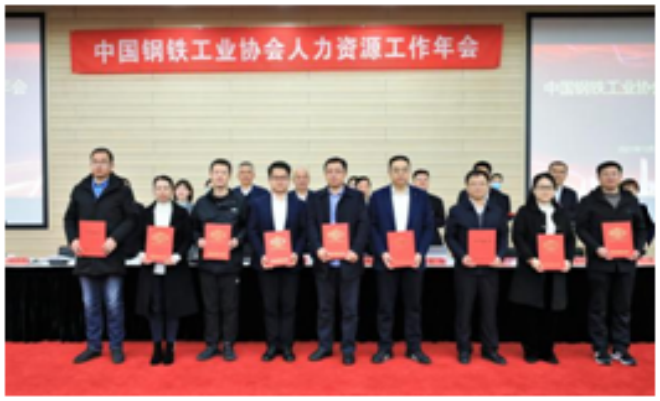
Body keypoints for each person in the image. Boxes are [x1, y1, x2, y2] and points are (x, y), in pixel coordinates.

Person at [63, 147, 138, 364]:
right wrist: (73, 239)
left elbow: (131, 219)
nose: (99, 165)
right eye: (95, 161)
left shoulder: (122, 190)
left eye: (103, 161)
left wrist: (115, 239)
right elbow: (69, 219)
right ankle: (93, 346)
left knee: (114, 305)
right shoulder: (80, 189)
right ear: (90, 164)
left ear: (111, 165)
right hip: (86, 258)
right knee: (90, 305)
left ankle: (116, 347)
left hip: (111, 256)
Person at [576, 161, 647, 366]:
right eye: (606, 174)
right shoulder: (589, 201)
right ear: (599, 177)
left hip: (626, 263)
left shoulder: (630, 200)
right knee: (598, 308)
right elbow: (581, 229)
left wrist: (639, 249)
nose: (610, 177)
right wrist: (596, 247)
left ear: (620, 176)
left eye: (614, 174)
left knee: (622, 308)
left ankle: (621, 348)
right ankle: (600, 348)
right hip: (600, 263)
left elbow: (641, 228)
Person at [369, 155, 434, 365]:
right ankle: (384, 348)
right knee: (385, 308)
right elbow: (372, 227)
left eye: (404, 169)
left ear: (409, 172)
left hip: (413, 261)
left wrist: (420, 253)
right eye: (395, 170)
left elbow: (428, 227)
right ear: (389, 173)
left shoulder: (421, 196)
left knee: (413, 307)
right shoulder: (378, 196)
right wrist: (382, 252)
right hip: (386, 261)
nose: (400, 174)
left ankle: (414, 348)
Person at [307, 157, 370, 366]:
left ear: (344, 174)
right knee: (325, 310)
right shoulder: (315, 197)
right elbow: (310, 226)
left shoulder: (356, 197)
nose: (334, 175)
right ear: (325, 174)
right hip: (324, 263)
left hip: (349, 262)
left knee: (350, 311)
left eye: (338, 171)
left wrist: (356, 250)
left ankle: (348, 349)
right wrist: (318, 248)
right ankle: (324, 347)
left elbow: (363, 226)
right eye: (330, 171)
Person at [509, 173, 575, 365]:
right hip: (532, 269)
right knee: (530, 312)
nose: (545, 191)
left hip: (556, 271)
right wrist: (531, 259)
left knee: (551, 312)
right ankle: (530, 350)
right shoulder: (524, 212)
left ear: (554, 191)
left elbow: (570, 240)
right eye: (541, 187)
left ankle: (547, 350)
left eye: (549, 188)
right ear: (534, 190)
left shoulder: (562, 213)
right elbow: (518, 237)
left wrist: (568, 260)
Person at [445, 170, 509, 365]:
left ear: (488, 186)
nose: (478, 187)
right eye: (473, 184)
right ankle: (464, 349)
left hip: (490, 269)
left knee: (489, 311)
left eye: (482, 183)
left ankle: (490, 349)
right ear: (467, 187)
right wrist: (462, 256)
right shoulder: (457, 210)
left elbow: (503, 237)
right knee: (464, 311)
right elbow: (450, 237)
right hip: (466, 269)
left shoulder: (497, 210)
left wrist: (499, 256)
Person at [248, 161, 307, 363]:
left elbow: (304, 232)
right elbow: (252, 231)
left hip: (291, 264)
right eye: (275, 177)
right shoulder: (258, 203)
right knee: (270, 307)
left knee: (289, 307)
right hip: (267, 264)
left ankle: (287, 346)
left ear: (289, 180)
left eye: (283, 178)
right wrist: (262, 254)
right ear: (269, 180)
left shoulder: (300, 204)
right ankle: (272, 345)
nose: (279, 181)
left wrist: (296, 253)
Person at [136, 175, 198, 366]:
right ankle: (156, 347)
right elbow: (136, 238)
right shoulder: (145, 213)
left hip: (174, 268)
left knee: (173, 308)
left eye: (166, 188)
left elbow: (188, 238)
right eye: (158, 188)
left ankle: (170, 346)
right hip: (151, 269)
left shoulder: (182, 213)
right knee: (154, 308)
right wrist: (142, 254)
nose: (162, 191)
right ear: (153, 191)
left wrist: (177, 256)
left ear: (172, 191)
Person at [191, 158, 249, 362]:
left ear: (229, 176)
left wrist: (237, 240)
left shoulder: (239, 201)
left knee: (230, 307)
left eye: (223, 172)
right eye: (216, 172)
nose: (219, 176)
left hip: (230, 265)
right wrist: (198, 240)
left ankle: (228, 344)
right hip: (207, 265)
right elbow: (193, 228)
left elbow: (247, 227)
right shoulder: (201, 203)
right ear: (210, 175)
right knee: (210, 307)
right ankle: (211, 344)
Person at [412, 169, 446, 246]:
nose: (422, 182)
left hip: (432, 240)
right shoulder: (405, 200)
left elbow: (442, 221)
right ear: (413, 182)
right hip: (411, 240)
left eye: (425, 180)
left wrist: (427, 220)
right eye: (419, 180)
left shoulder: (436, 200)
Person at [621, 178, 655, 247]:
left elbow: (651, 227)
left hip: (637, 246)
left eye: (632, 189)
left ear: (637, 191)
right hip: (618, 245)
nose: (629, 192)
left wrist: (646, 241)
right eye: (626, 190)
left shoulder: (642, 208)